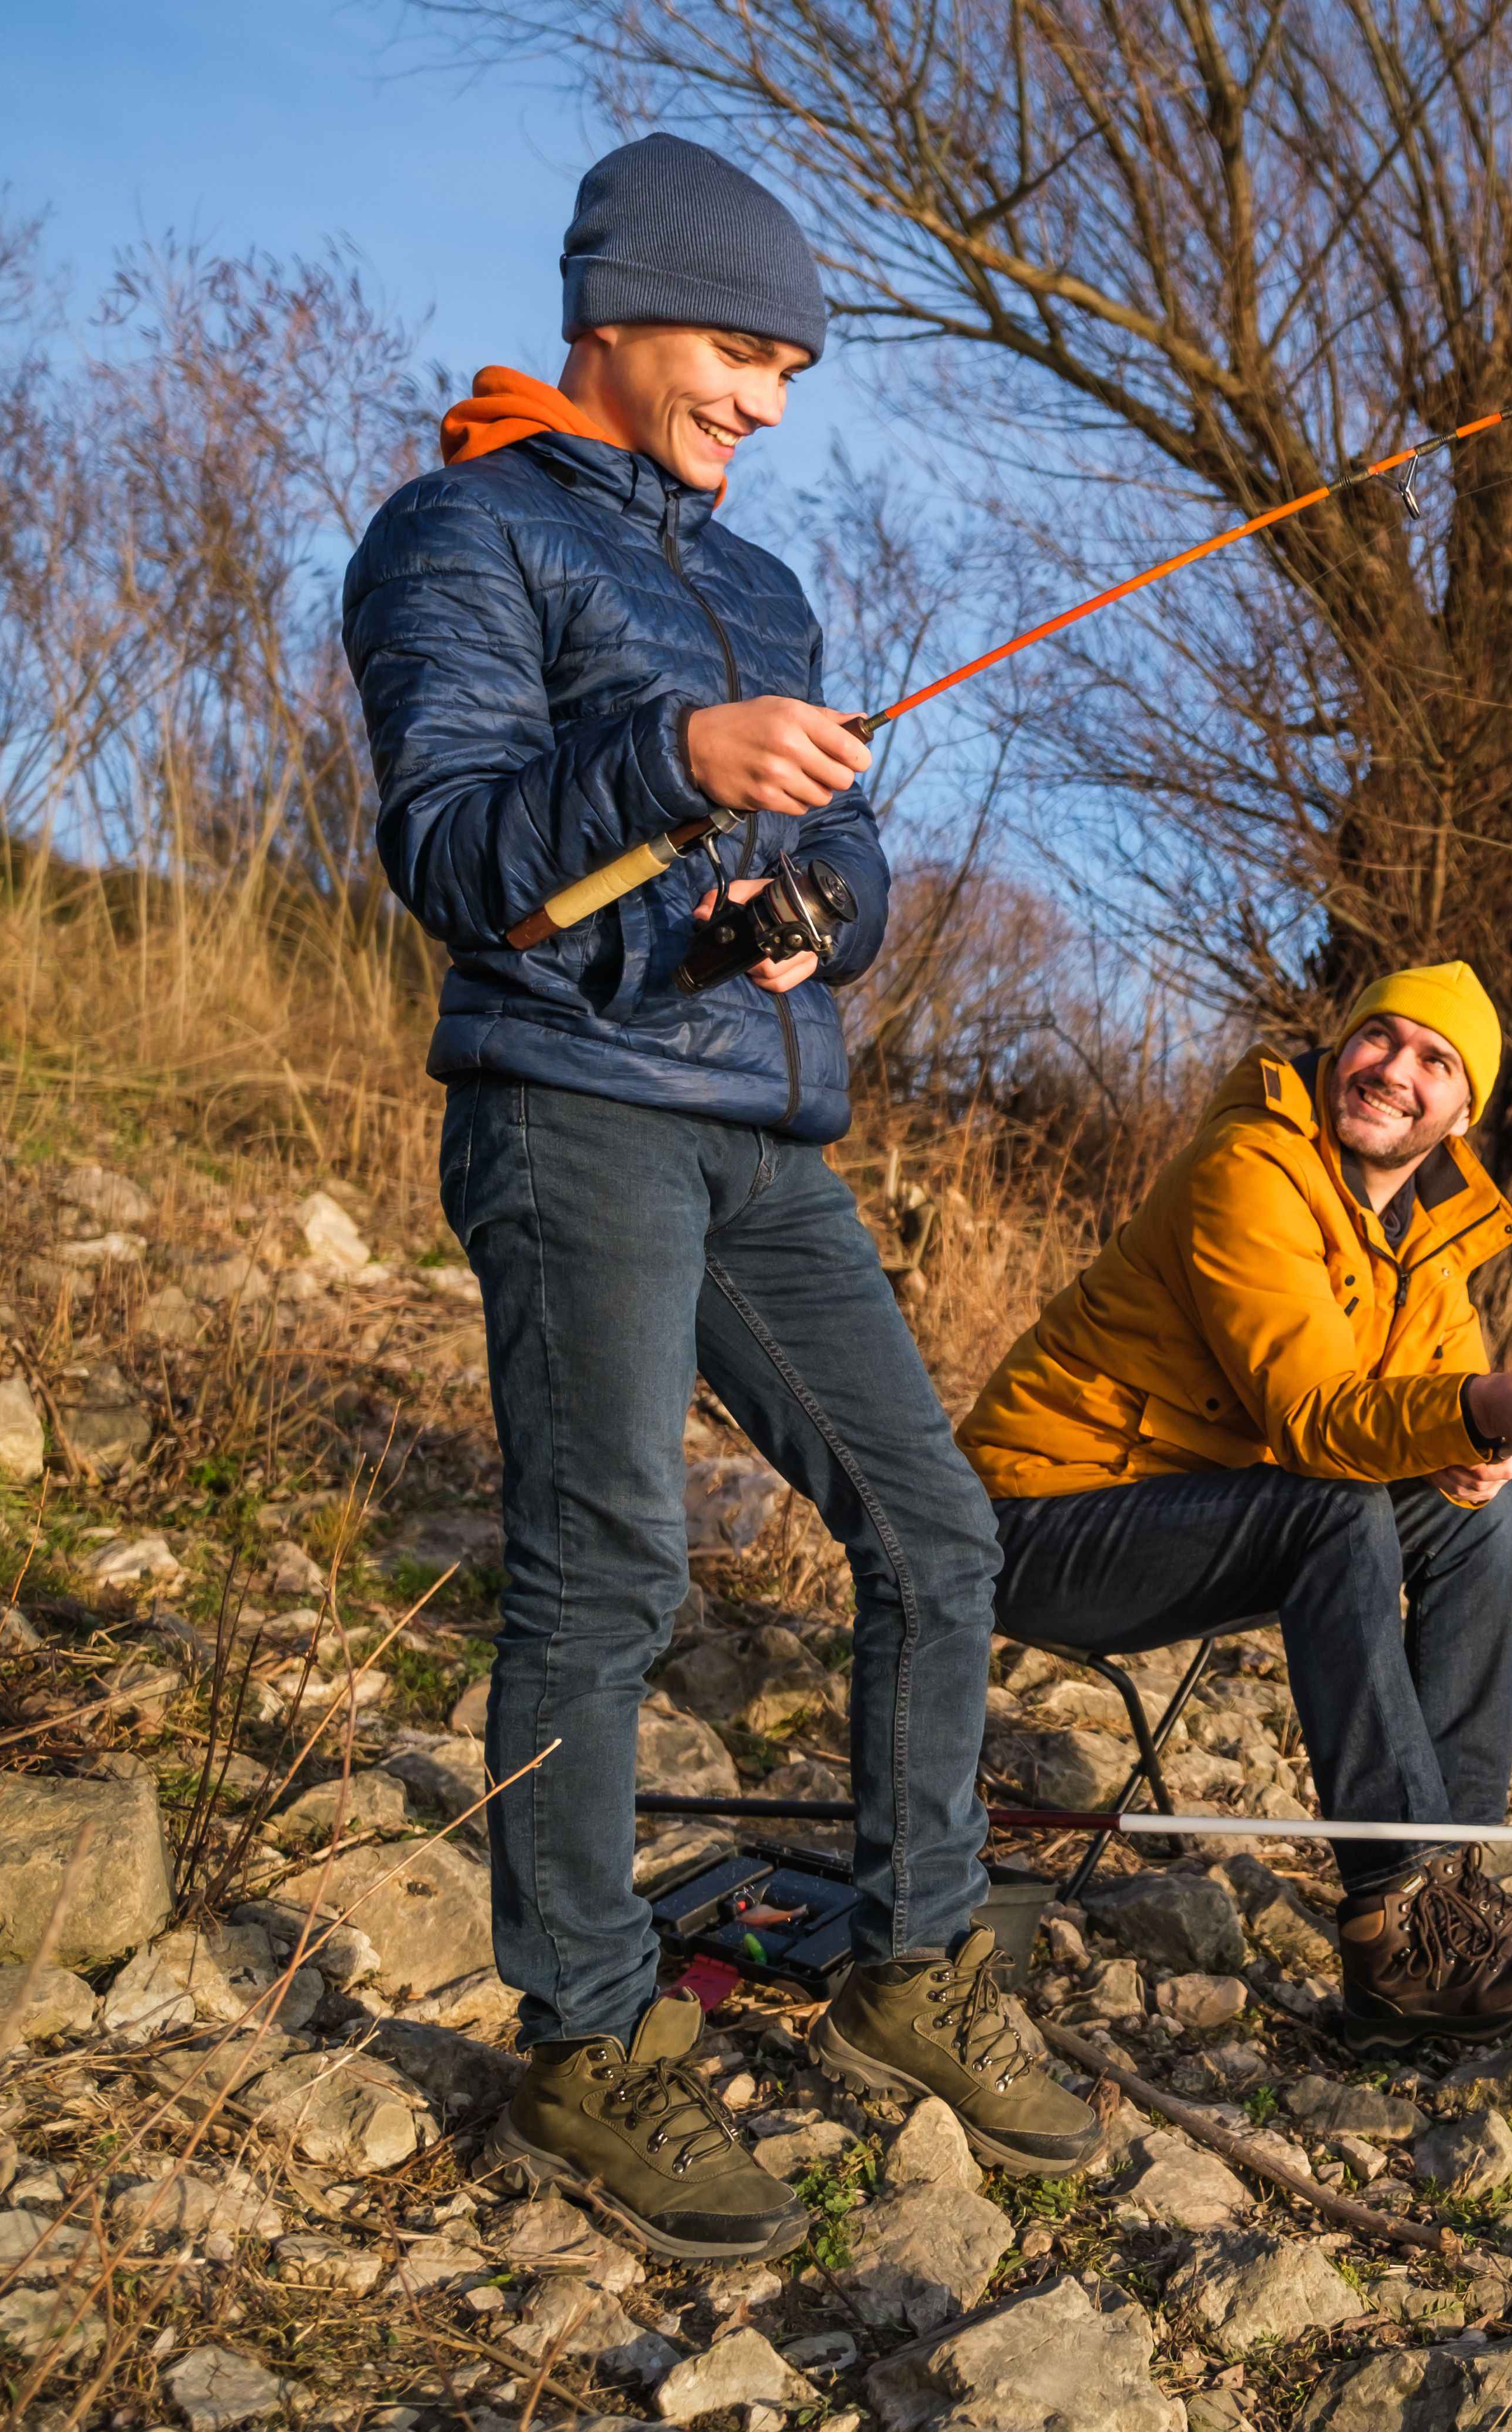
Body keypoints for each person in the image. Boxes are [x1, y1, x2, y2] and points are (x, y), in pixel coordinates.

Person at [344, 132, 1090, 2264]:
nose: (763, 404)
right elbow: (463, 856)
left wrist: (815, 915)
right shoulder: (458, 530)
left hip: (765, 1130)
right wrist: (676, 757)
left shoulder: (763, 586)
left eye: (790, 373)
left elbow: (849, 851)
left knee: (939, 1532)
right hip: (570, 1111)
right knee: (606, 1568)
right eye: (737, 353)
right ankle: (583, 2039)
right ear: (620, 313)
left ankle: (913, 1963)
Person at [954, 962, 1512, 2051]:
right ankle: (1393, 1921)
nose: (1394, 1071)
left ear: (1461, 1118)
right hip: (1038, 1521)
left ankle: (1446, 1899)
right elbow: (1316, 1416)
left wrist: (1482, 1442)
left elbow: (1434, 1403)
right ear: (1339, 1047)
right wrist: (1479, 1404)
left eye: (1434, 1061)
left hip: (1189, 1517)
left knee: (1470, 1515)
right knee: (1333, 1509)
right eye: (1379, 1037)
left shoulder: (1429, 1238)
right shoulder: (1249, 1166)